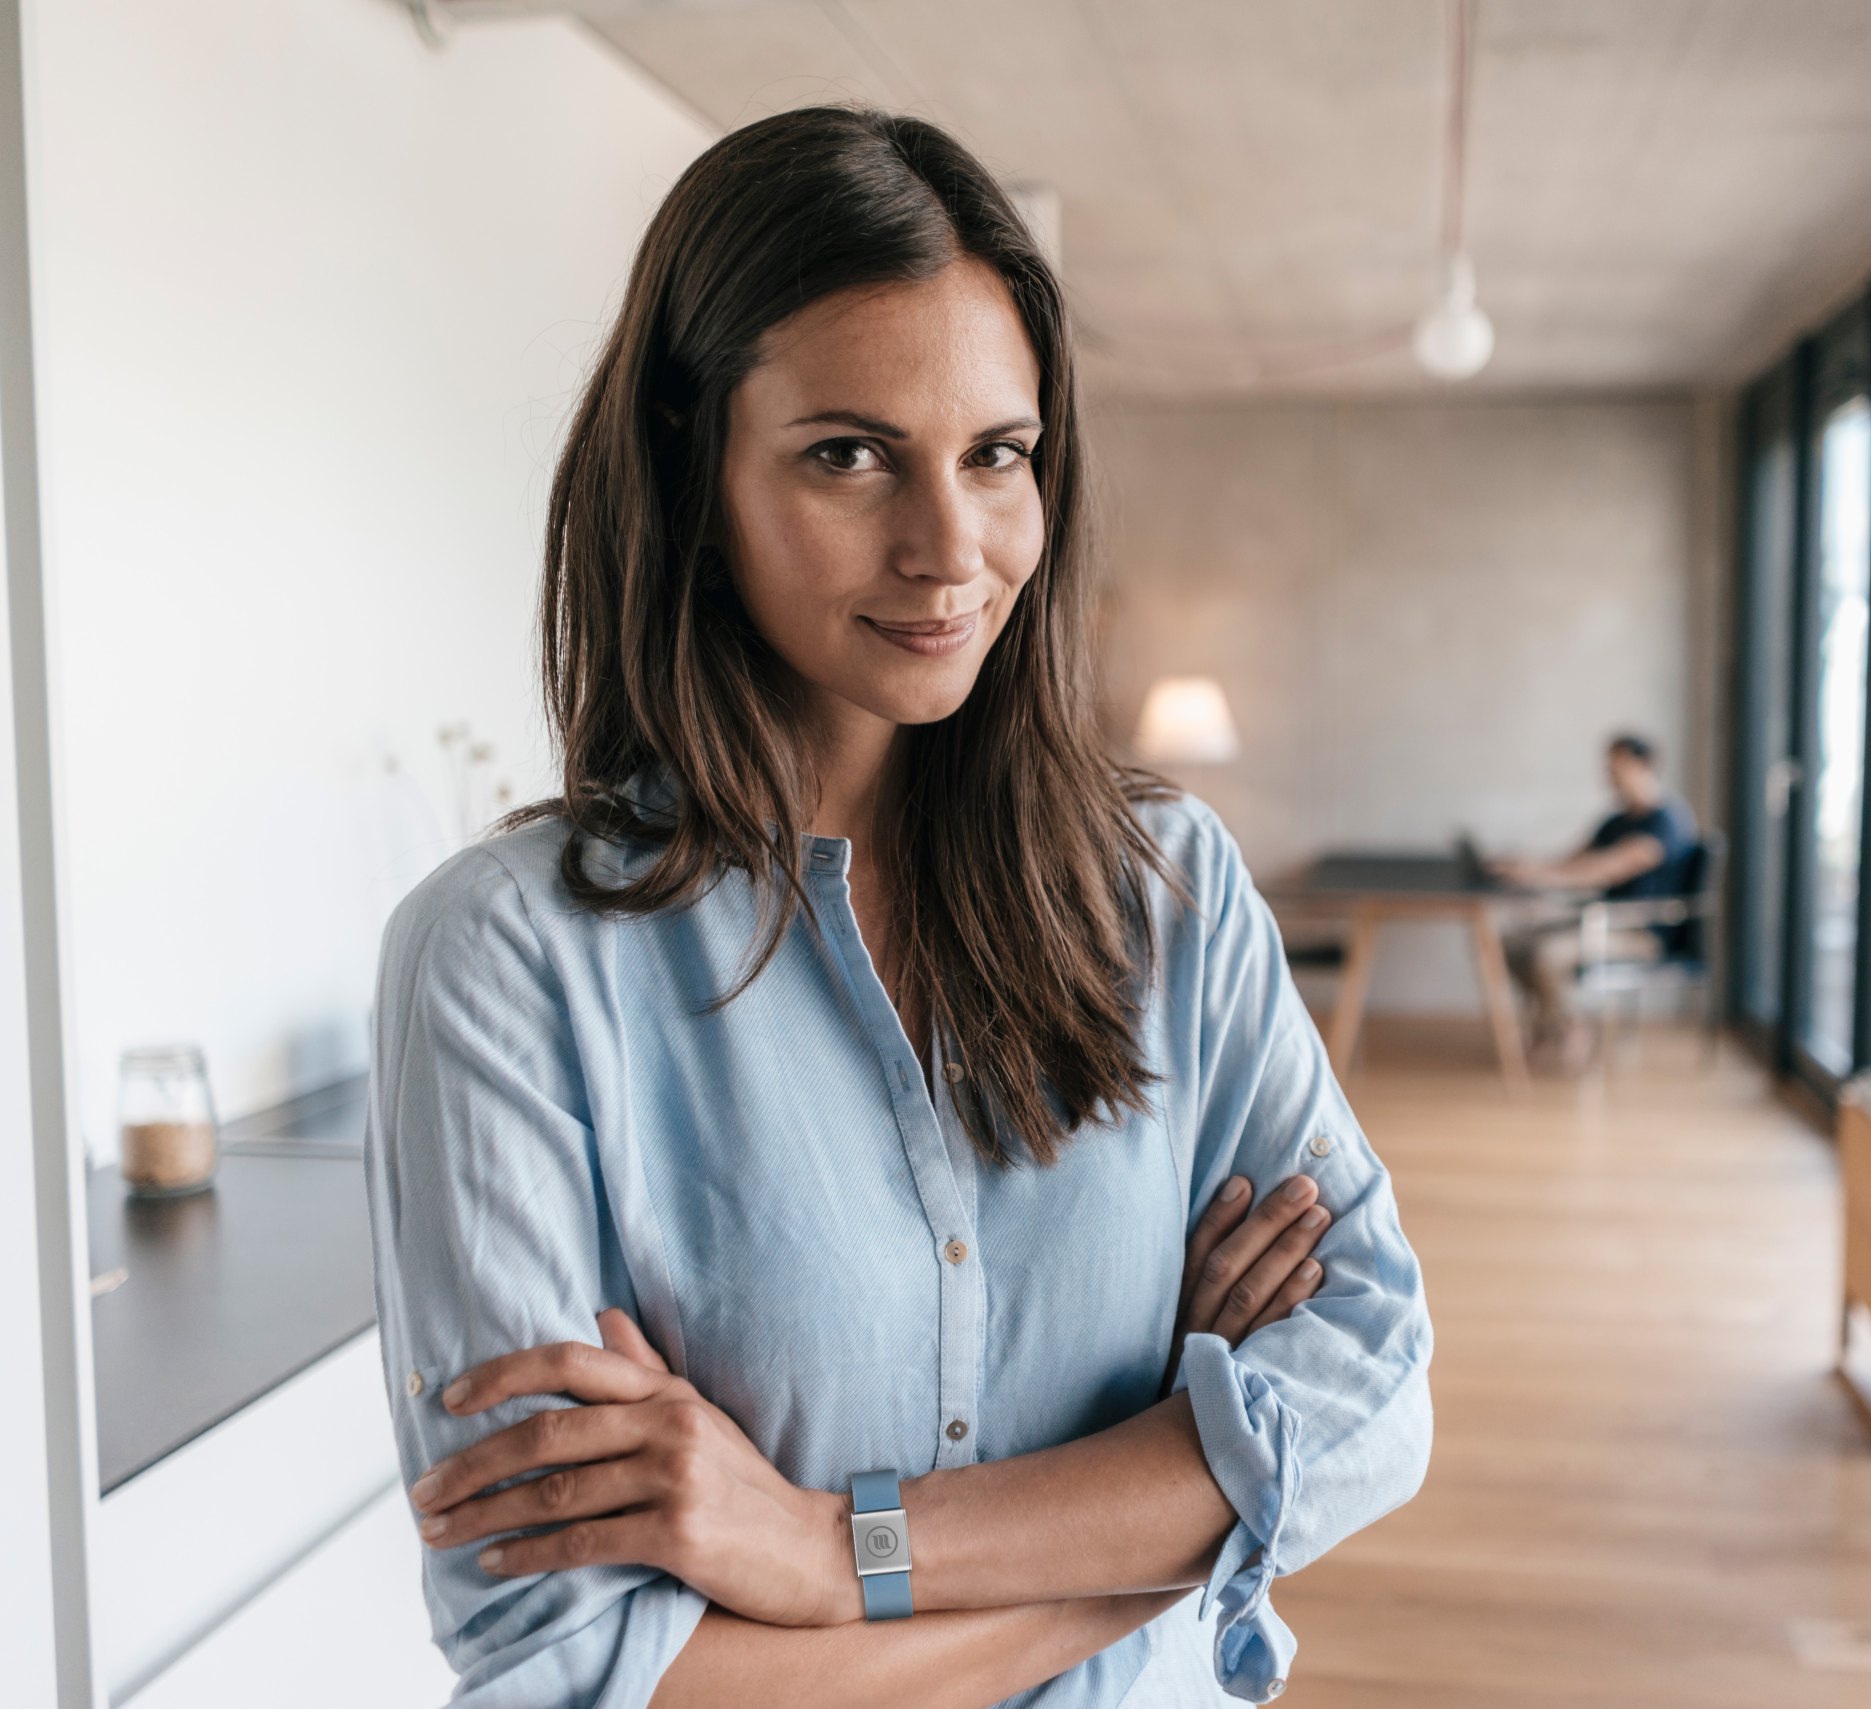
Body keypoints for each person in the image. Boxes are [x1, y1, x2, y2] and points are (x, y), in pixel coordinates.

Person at [364, 107, 1433, 1709]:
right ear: (689, 460)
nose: (951, 550)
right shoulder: (506, 962)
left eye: (998, 455)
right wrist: (1180, 1499)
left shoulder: (1172, 893)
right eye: (848, 454)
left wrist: (820, 1551)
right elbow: (576, 1671)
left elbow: (1372, 1399)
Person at [1487, 733, 1702, 1066]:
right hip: (1603, 922)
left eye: (1616, 765)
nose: (1608, 773)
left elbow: (1607, 870)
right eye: (1607, 765)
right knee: (1510, 944)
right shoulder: (1616, 821)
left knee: (1548, 953)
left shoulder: (1667, 821)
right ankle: (1556, 1023)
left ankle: (1573, 1026)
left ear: (1643, 765)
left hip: (1642, 934)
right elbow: (1573, 859)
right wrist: (1524, 864)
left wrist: (1538, 876)